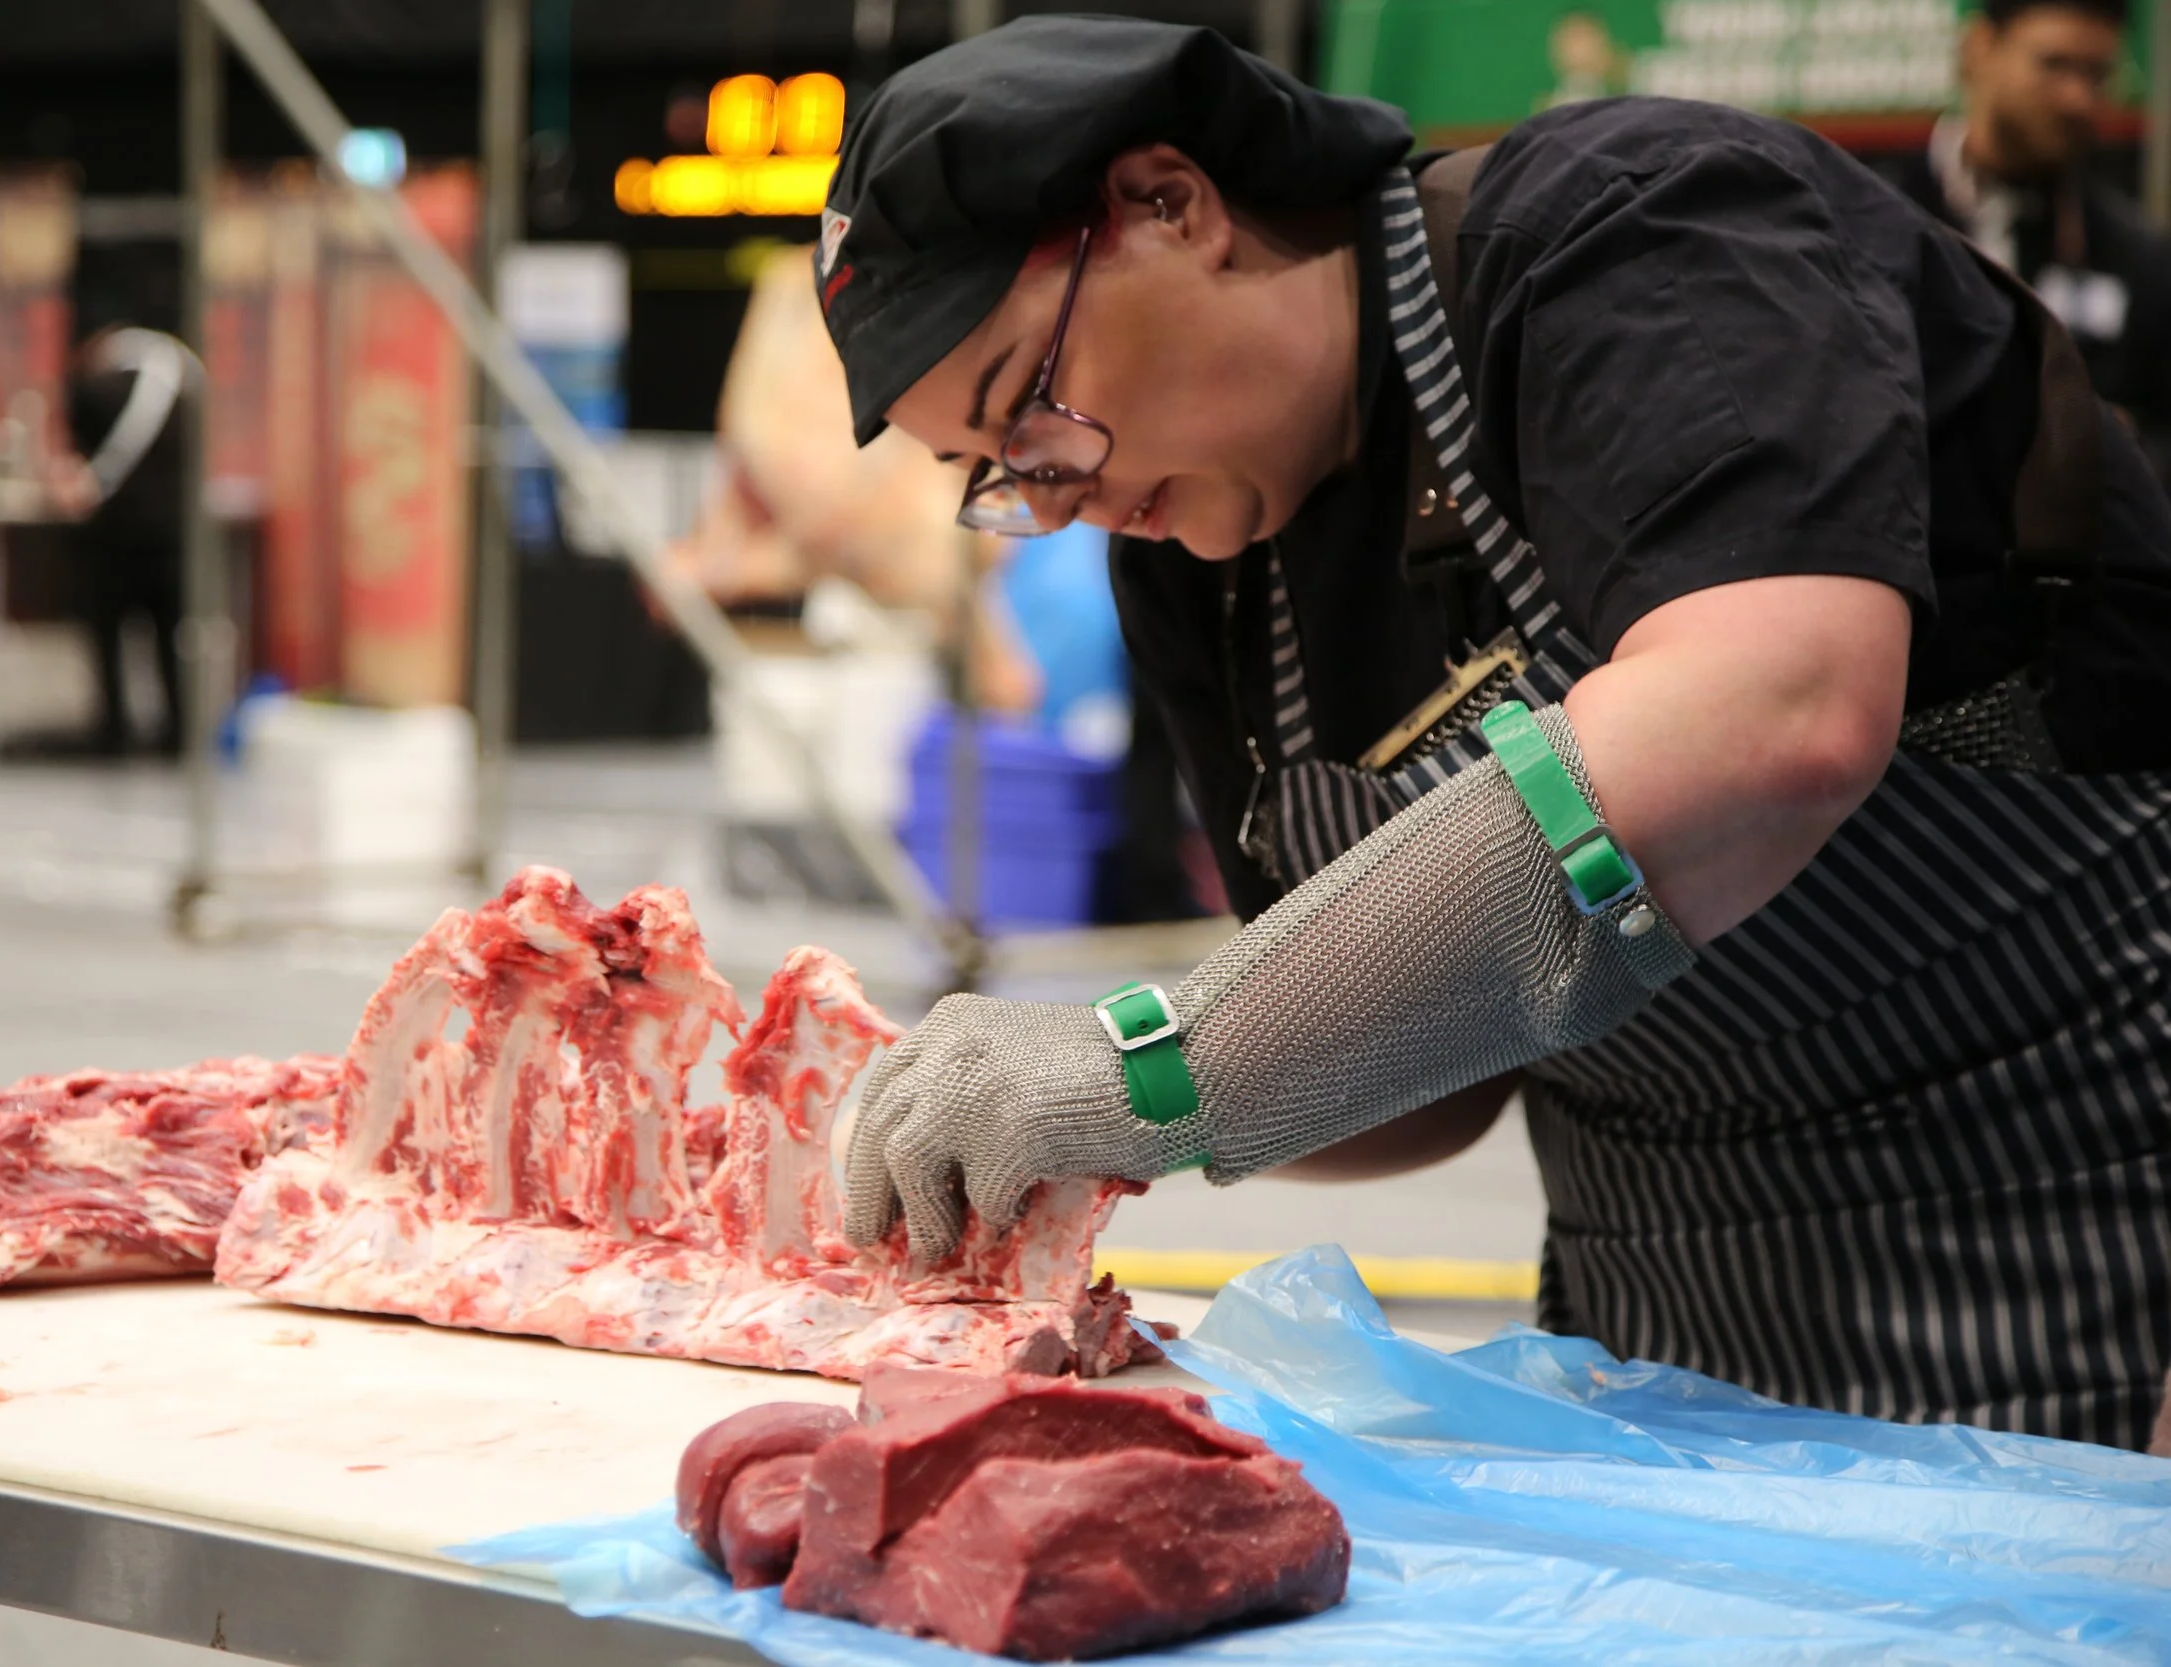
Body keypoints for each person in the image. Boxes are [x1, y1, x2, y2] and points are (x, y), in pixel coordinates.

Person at [816, 16, 2171, 1451]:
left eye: (1031, 406)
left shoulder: (1630, 232)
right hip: (1660, 1362)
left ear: (1172, 203)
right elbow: (1432, 1093)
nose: (1057, 491)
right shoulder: (1201, 573)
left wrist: (1151, 1062)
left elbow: (1777, 712)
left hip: (2077, 1281)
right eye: (996, 474)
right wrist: (1075, 1117)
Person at [1890, 0, 2171, 484]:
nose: (2077, 98)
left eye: (2097, 75)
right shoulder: (1878, 217)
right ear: (1979, 49)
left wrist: (2122, 448)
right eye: (2054, 64)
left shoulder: (2135, 257)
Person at [52, 324, 197, 758]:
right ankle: (178, 731)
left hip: (114, 535)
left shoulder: (92, 389)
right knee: (170, 637)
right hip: (171, 533)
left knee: (109, 636)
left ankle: (112, 730)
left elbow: (80, 463)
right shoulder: (184, 384)